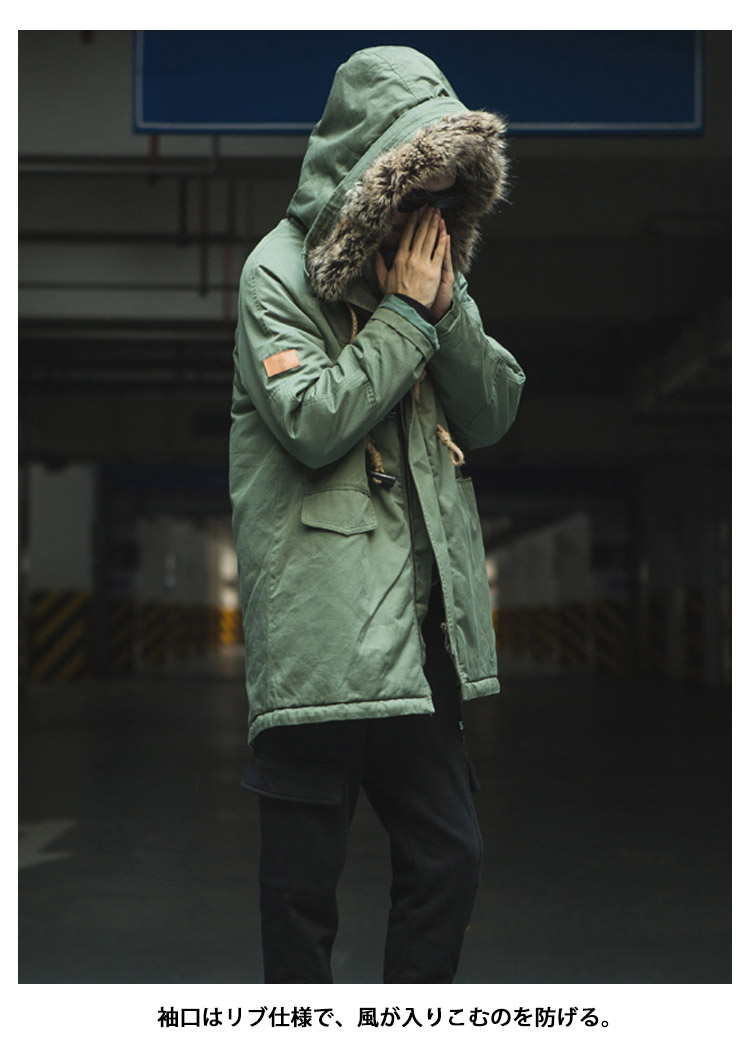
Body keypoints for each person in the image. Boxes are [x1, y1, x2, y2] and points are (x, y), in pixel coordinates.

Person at [229, 45, 525, 984]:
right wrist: (404, 316)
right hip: (321, 640)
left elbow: (493, 410)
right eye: (410, 195)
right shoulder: (276, 273)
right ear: (367, 175)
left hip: (417, 644)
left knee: (449, 860)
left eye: (444, 202)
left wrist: (445, 306)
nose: (424, 221)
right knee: (301, 895)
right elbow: (312, 421)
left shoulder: (429, 280)